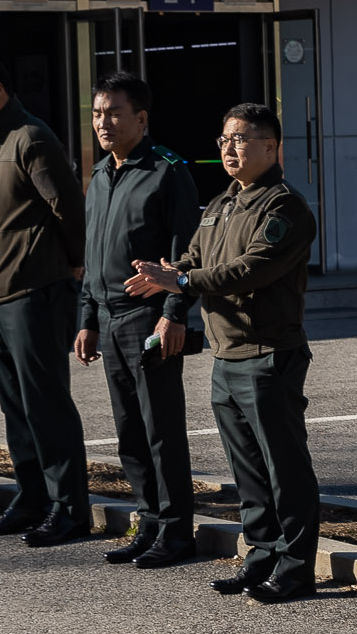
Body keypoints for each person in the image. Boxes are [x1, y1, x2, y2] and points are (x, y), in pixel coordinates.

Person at [128, 103, 320, 602]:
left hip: (268, 354)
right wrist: (167, 273)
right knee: (248, 472)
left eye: (240, 139)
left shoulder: (284, 206)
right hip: (226, 355)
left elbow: (250, 271)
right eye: (223, 140)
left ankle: (296, 570)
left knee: (284, 469)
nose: (228, 149)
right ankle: (260, 559)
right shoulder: (220, 205)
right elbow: (195, 257)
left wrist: (185, 279)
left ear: (271, 147)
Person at [0, 51, 89, 547]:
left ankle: (70, 508)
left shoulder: (30, 137)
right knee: (17, 408)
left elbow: (68, 206)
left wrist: (74, 261)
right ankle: (32, 499)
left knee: (46, 404)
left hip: (35, 290)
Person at [77, 72, 201, 568]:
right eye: (97, 113)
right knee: (130, 432)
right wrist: (86, 317)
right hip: (108, 318)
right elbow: (92, 255)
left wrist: (172, 315)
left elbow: (185, 255)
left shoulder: (167, 172)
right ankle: (147, 522)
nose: (103, 123)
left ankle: (175, 531)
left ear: (142, 118)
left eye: (114, 113)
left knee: (160, 429)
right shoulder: (100, 175)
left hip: (148, 318)